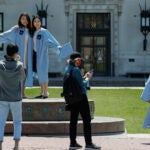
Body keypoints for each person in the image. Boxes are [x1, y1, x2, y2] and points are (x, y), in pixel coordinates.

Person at [64, 52, 100, 150]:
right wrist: (88, 77)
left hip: (71, 98)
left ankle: (72, 143)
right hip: (81, 97)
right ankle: (88, 143)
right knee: (87, 120)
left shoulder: (67, 69)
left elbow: (76, 81)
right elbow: (82, 84)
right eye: (79, 60)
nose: (80, 61)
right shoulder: (75, 69)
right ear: (76, 60)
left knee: (73, 120)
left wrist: (83, 77)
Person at [0, 12, 33, 98]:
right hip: (18, 55)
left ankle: (23, 93)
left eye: (26, 19)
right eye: (22, 19)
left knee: (24, 74)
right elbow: (5, 35)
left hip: (27, 56)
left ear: (28, 20)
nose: (24, 20)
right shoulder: (16, 29)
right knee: (18, 74)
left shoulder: (30, 31)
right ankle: (17, 93)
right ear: (20, 20)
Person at [0, 44, 24, 150]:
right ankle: (16, 145)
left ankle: (0, 145)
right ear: (15, 53)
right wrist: (19, 60)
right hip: (16, 98)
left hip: (2, 97)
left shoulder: (0, 65)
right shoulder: (19, 65)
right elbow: (23, 78)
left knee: (0, 122)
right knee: (17, 122)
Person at [32, 15, 61, 98]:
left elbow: (52, 40)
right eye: (35, 21)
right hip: (35, 54)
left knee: (43, 73)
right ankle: (42, 92)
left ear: (40, 22)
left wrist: (58, 47)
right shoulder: (33, 32)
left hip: (43, 54)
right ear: (33, 23)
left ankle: (45, 92)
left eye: (38, 21)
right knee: (39, 74)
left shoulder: (44, 31)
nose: (37, 23)